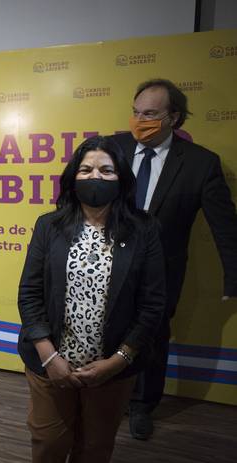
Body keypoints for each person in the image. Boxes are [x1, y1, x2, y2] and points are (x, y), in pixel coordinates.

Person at [17, 136, 165, 463]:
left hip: (112, 369)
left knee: (95, 448)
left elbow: (153, 305)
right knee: (48, 442)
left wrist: (118, 361)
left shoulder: (144, 229)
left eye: (105, 170)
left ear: (122, 179)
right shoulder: (49, 226)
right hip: (50, 365)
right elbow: (29, 292)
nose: (94, 176)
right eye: (85, 169)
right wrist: (49, 356)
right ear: (72, 177)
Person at [111, 79, 237, 440]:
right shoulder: (113, 148)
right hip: (107, 264)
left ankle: (142, 406)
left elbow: (225, 227)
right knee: (108, 330)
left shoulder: (201, 164)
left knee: (150, 338)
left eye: (149, 114)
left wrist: (233, 278)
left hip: (161, 270)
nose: (139, 120)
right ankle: (109, 397)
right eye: (135, 112)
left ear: (174, 117)